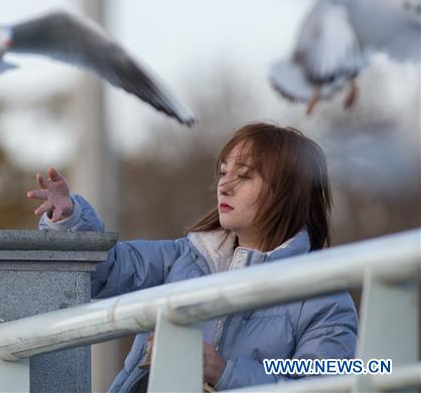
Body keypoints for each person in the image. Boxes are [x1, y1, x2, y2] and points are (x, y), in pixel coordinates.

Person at [26, 122, 357, 391]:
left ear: (290, 192)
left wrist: (222, 372)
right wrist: (69, 220)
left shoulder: (323, 297)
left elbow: (326, 386)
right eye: (223, 172)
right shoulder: (182, 257)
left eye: (243, 175)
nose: (224, 186)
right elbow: (105, 270)